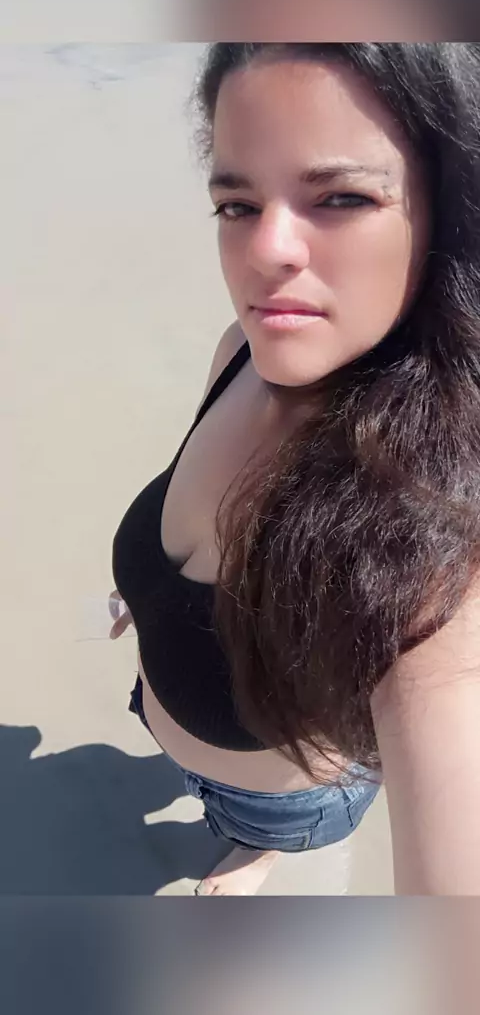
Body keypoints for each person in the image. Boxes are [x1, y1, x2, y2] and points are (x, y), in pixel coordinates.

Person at [110, 44, 480, 896]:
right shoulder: (244, 352)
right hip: (166, 723)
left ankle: (262, 854)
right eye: (238, 204)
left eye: (342, 197)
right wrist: (149, 591)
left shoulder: (436, 554)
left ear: (448, 213)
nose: (266, 249)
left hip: (281, 802)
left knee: (253, 830)